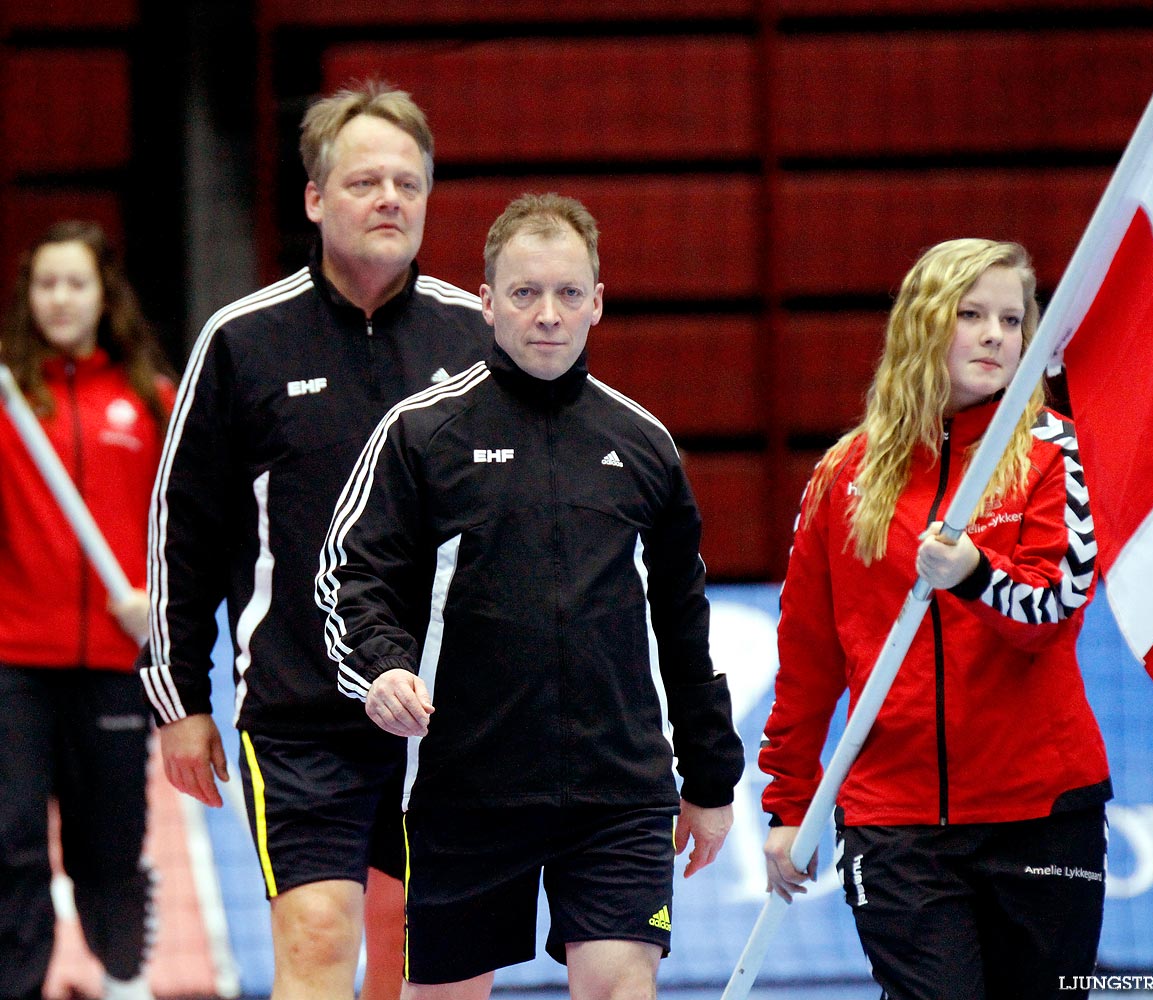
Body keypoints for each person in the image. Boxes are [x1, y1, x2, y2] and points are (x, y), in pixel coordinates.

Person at [314, 192, 745, 999]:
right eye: (524, 293)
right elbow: (351, 576)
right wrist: (383, 667)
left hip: (618, 793)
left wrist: (711, 780)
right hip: (466, 787)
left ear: (596, 303)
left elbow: (684, 625)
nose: (547, 315)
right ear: (485, 301)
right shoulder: (420, 433)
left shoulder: (644, 445)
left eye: (568, 294)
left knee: (621, 987)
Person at [137, 82, 493, 1000]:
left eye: (408, 185)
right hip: (301, 711)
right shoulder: (241, 342)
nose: (389, 201)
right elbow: (184, 533)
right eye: (366, 181)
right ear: (313, 198)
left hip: (449, 717)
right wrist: (179, 698)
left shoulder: (479, 338)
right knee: (320, 933)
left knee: (437, 965)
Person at [759, 239, 1111, 1000]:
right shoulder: (843, 474)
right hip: (895, 824)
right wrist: (789, 805)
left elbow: (1052, 612)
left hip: (1042, 814)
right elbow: (808, 655)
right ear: (921, 325)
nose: (994, 334)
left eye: (1012, 320)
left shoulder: (1054, 453)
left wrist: (974, 576)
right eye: (971, 313)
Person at [0, 220, 175, 1000]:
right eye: (46, 284)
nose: (61, 299)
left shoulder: (148, 400)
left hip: (113, 663)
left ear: (105, 295)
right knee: (10, 847)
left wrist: (158, 603)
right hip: (14, 665)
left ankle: (121, 980)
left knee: (109, 848)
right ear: (27, 296)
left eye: (76, 283)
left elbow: (190, 524)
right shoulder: (7, 399)